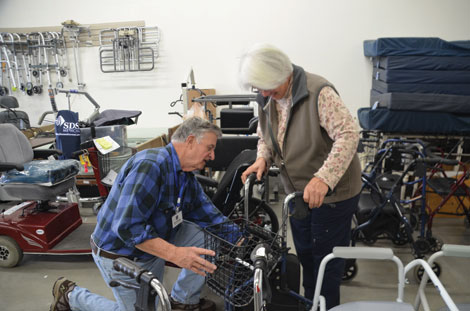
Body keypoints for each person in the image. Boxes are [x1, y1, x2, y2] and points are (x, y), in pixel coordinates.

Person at [50, 117, 227, 311]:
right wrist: (175, 254)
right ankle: (71, 296)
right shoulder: (151, 166)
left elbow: (206, 212)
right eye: (209, 148)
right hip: (121, 253)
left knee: (208, 237)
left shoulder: (184, 175)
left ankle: (182, 301)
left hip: (153, 243)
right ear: (191, 141)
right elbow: (128, 228)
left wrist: (242, 238)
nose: (212, 155)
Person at [239, 43, 362, 309]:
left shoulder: (319, 92)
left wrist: (323, 178)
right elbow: (265, 135)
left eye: (267, 86)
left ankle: (324, 305)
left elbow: (349, 134)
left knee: (325, 262)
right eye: (258, 88)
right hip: (297, 192)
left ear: (284, 74)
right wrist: (262, 157)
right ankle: (310, 302)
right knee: (306, 253)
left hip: (333, 193)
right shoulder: (267, 95)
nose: (263, 93)